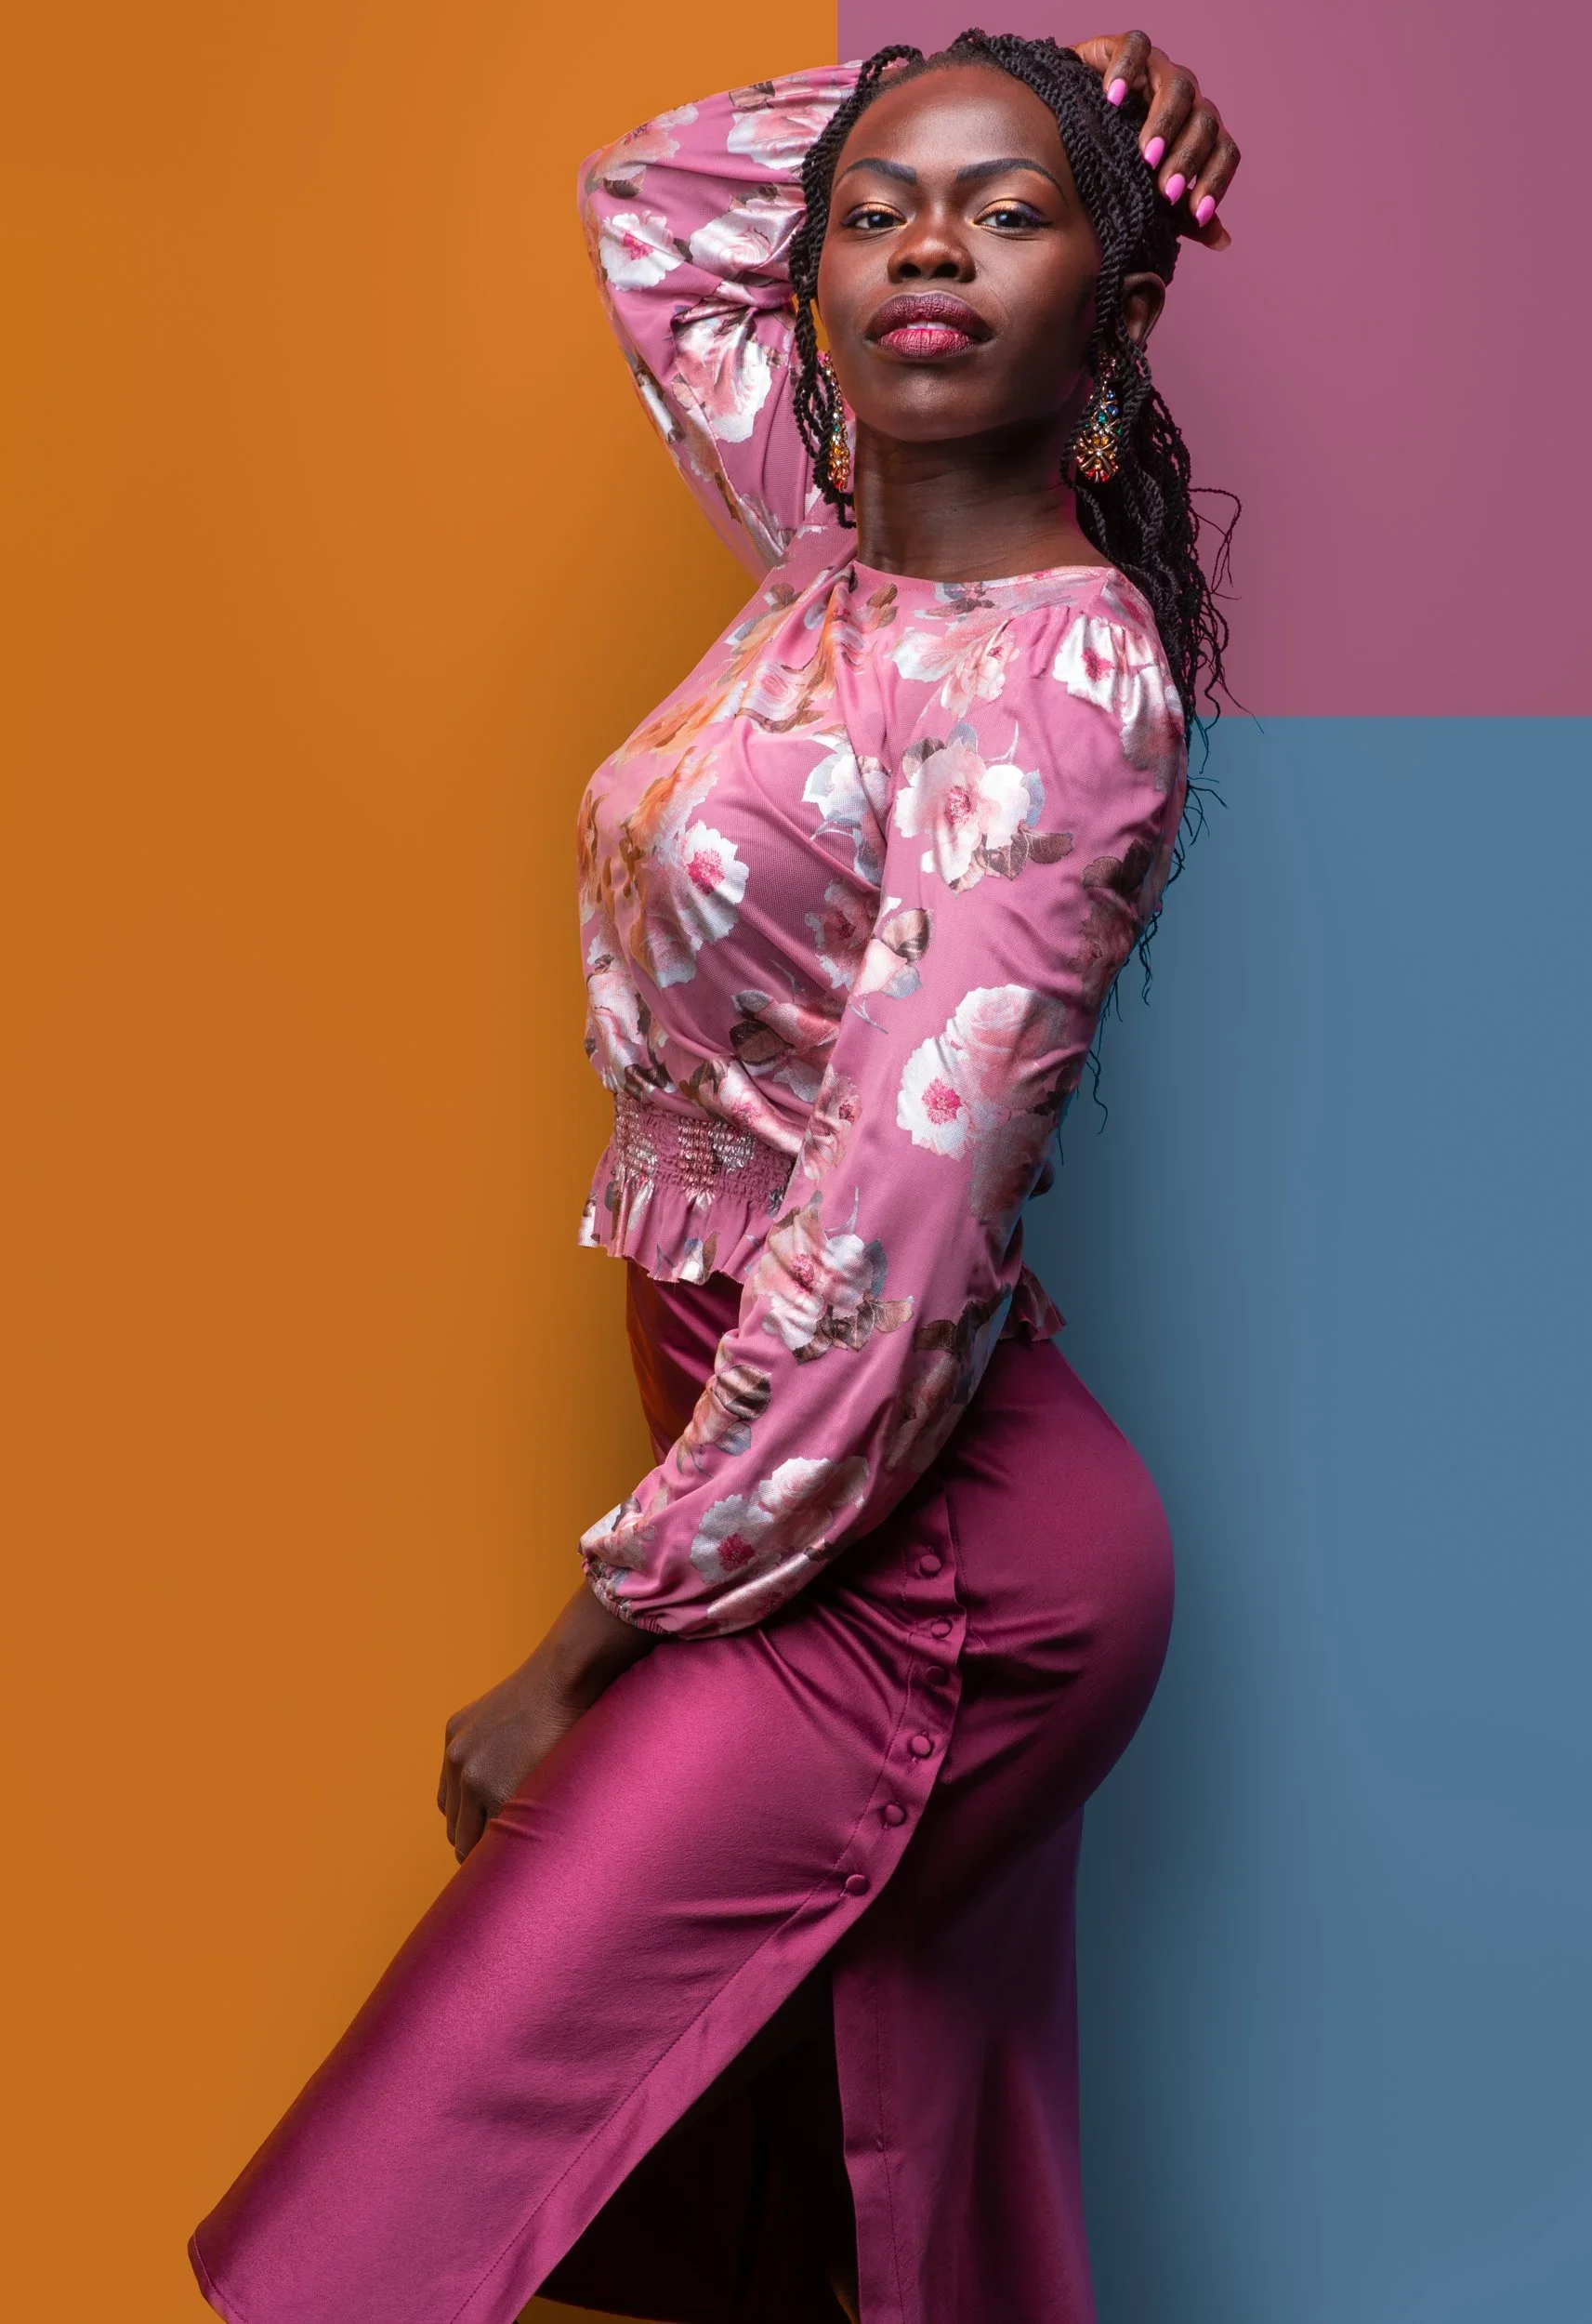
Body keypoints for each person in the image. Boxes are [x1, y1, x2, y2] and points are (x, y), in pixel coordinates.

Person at [190, 29, 1239, 2324]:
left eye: (1009, 206)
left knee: (384, 2211)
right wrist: (1028, 73)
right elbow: (658, 199)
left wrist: (582, 1645)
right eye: (877, 214)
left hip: (935, 1552)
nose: (926, 247)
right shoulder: (826, 554)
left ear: (1119, 306)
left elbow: (890, 1252)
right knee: (889, 2197)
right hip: (783, 1477)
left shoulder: (1055, 687)